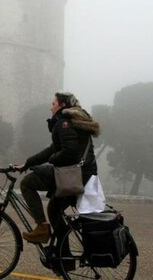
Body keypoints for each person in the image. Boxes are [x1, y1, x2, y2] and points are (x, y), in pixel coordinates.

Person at [14, 91, 100, 244]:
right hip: (84, 174)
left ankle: (41, 228)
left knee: (27, 183)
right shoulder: (75, 121)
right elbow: (53, 148)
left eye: (53, 104)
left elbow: (68, 152)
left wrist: (52, 160)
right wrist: (28, 163)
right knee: (54, 209)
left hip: (74, 175)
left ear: (63, 105)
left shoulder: (64, 123)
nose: (50, 107)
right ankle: (63, 258)